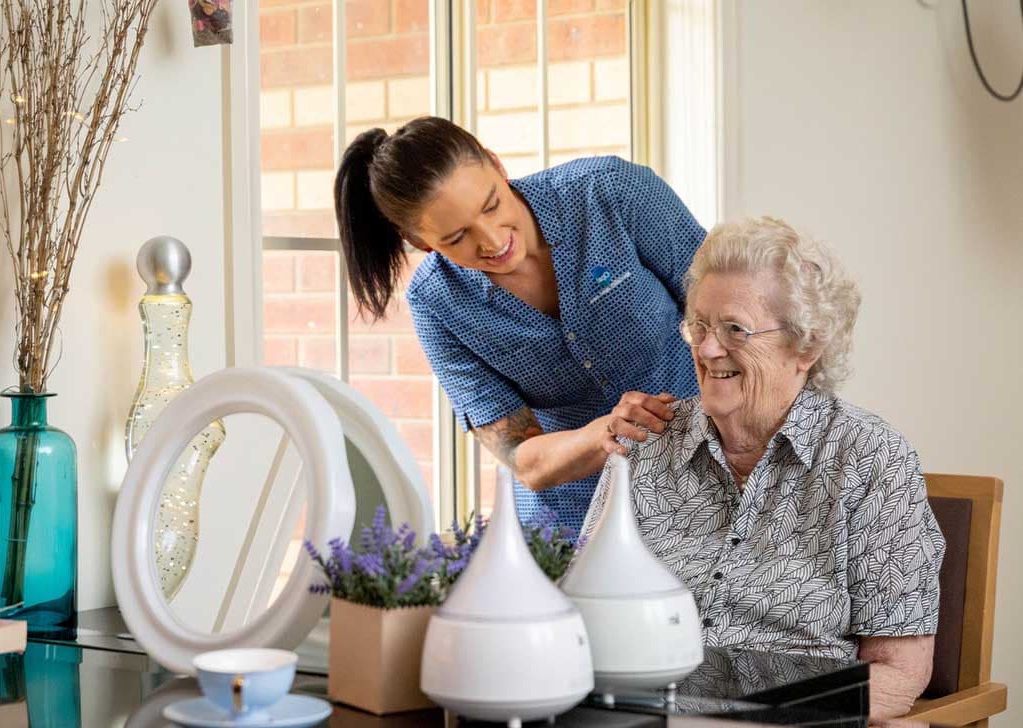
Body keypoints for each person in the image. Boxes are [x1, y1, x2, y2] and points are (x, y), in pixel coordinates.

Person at [580, 216, 945, 719]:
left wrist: (735, 716)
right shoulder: (646, 441)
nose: (708, 349)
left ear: (806, 346)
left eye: (735, 329)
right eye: (700, 326)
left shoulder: (870, 459)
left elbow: (899, 676)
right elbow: (579, 615)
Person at [334, 116, 705, 532]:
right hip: (571, 519)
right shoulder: (436, 302)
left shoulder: (609, 190)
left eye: (492, 205)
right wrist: (603, 433)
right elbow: (522, 456)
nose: (493, 241)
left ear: (497, 164)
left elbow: (732, 312)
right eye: (457, 238)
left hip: (702, 475)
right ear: (420, 242)